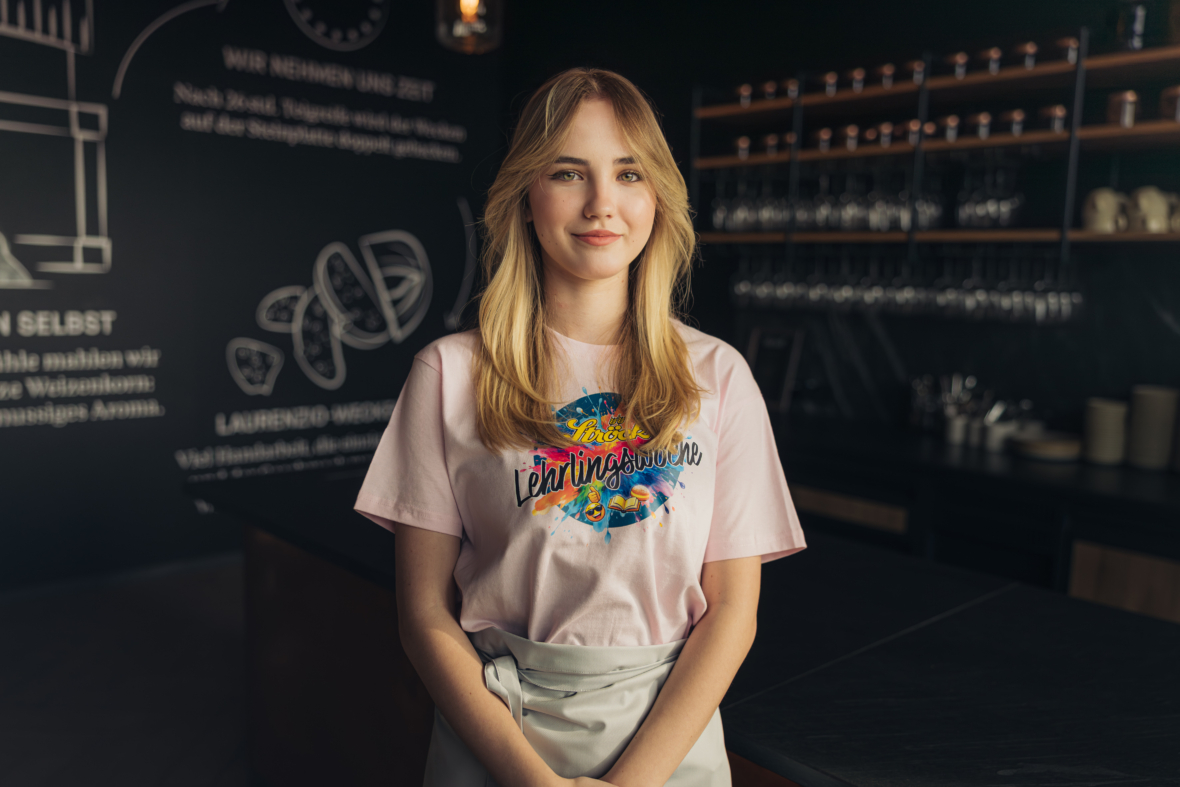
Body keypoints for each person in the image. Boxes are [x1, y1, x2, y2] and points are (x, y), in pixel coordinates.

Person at [355, 67, 806, 787]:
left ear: (656, 195)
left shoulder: (718, 376)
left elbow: (732, 616)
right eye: (569, 172)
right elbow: (421, 614)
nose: (603, 203)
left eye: (628, 173)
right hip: (497, 734)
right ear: (527, 198)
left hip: (670, 743)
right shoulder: (447, 374)